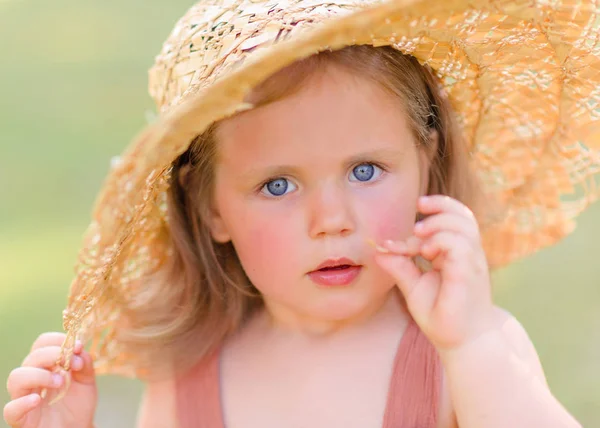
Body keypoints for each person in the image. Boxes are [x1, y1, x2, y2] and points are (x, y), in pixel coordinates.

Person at [4, 0, 598, 427]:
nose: (331, 219)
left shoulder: (469, 352)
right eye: (278, 184)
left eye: (365, 171)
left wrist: (471, 346)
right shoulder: (188, 376)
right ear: (212, 208)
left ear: (427, 160)